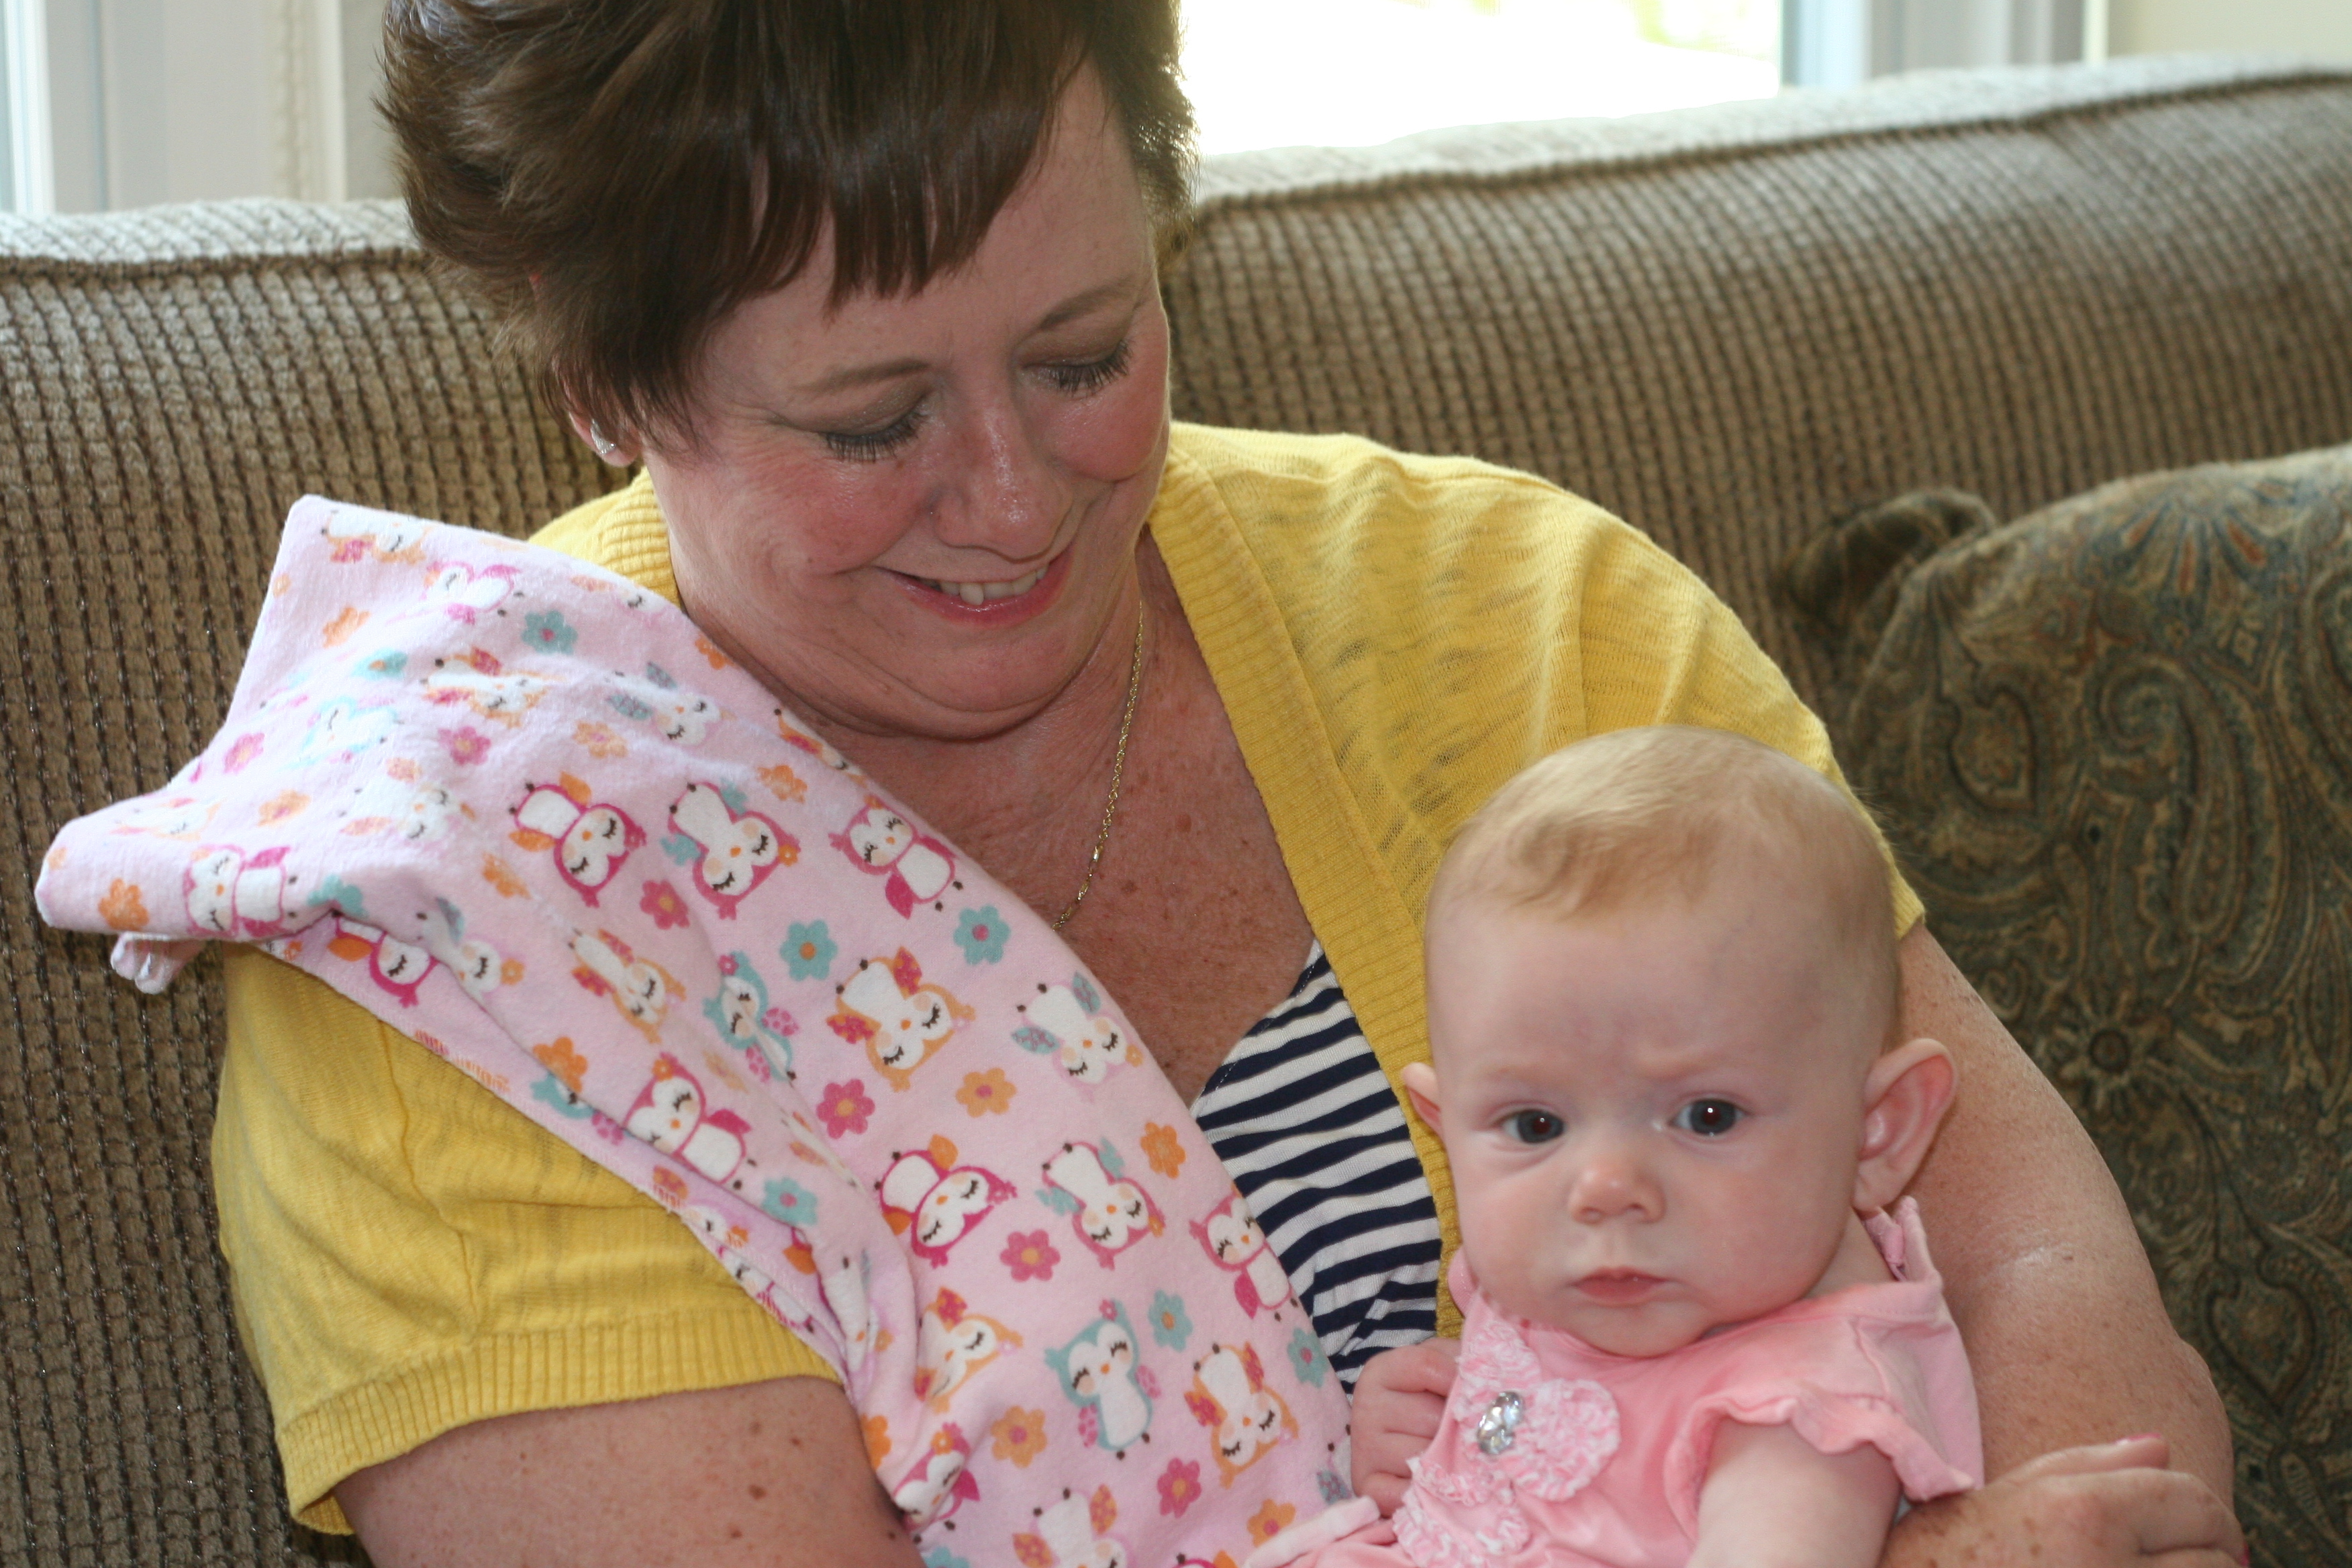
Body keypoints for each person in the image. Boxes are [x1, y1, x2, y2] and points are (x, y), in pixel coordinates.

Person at [196, 3, 2237, 1563]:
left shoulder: (1520, 625)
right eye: (874, 418)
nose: (1013, 500)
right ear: (600, 381)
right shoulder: (461, 923)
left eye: (1082, 354)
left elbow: (2054, 1325)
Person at [1256, 725, 1981, 1568]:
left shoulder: (1801, 1421)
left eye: (1707, 1115)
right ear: (1446, 1127)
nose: (1604, 1185)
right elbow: (1571, 1424)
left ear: (1877, 1129)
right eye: (1536, 1125)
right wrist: (1439, 1420)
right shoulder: (1577, 1293)